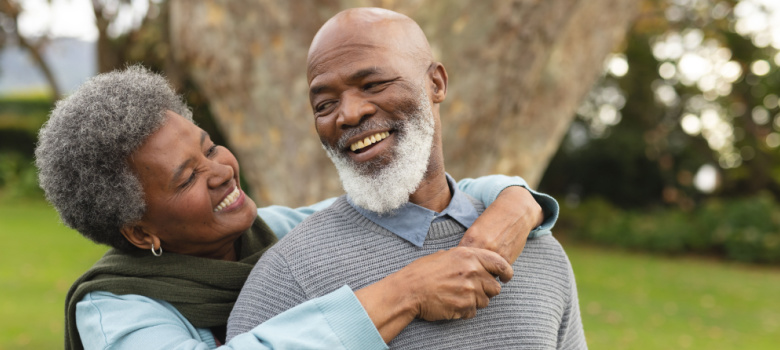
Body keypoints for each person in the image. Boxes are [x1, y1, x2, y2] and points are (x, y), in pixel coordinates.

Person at [35, 66, 559, 350]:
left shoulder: (280, 234)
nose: (220, 170)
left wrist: (518, 203)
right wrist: (405, 292)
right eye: (188, 177)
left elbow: (432, 191)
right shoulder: (116, 313)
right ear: (139, 231)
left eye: (209, 146)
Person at [227, 7, 587, 349]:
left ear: (436, 83)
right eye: (324, 105)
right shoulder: (286, 277)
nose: (349, 114)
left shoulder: (537, 250)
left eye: (372, 84)